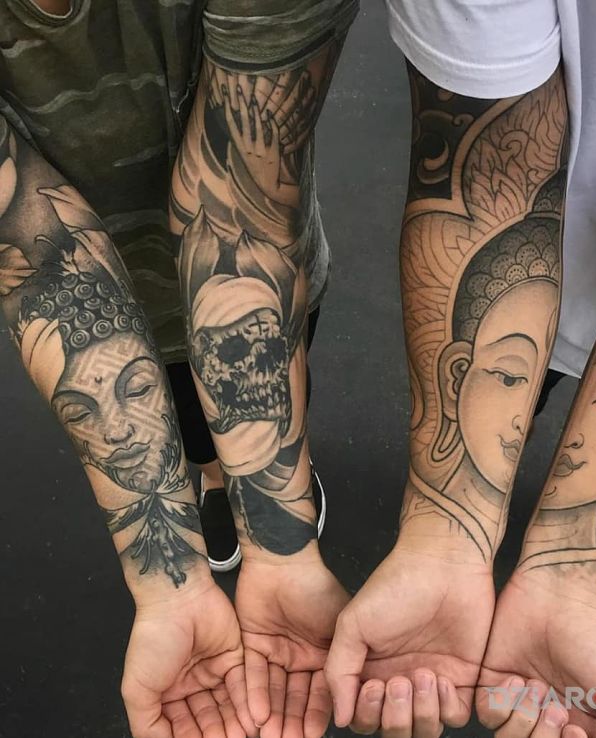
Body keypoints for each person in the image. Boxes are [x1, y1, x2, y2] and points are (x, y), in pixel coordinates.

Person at [323, 2, 596, 737]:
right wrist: (444, 533)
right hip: (518, 262)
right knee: (512, 395)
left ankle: (593, 547)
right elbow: (495, 172)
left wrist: (579, 565)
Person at [0, 1, 358, 736]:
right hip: (101, 310)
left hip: (254, 288)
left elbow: (243, 210)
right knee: (166, 416)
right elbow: (38, 253)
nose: (114, 429)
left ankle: (234, 488)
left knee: (246, 396)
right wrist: (170, 585)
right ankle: (207, 480)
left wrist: (282, 551)